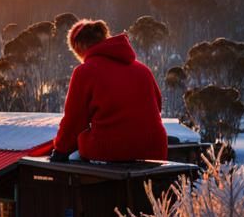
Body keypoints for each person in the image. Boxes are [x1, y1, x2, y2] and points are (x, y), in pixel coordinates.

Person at [51, 19, 167, 163]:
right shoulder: (142, 69)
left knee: (81, 144)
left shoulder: (85, 71)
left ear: (78, 46)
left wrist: (60, 150)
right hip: (155, 148)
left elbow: (74, 121)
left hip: (113, 150)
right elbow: (158, 105)